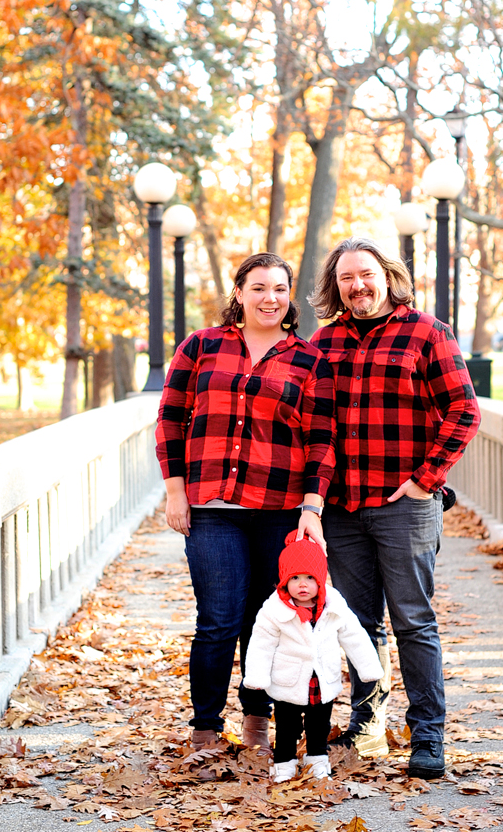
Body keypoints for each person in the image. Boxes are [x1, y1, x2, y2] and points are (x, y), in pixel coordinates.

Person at [309, 236, 481, 779]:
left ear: (387, 276)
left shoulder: (427, 333)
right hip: (342, 507)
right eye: (345, 279)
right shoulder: (325, 342)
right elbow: (318, 427)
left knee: (413, 621)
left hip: (403, 503)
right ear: (334, 287)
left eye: (366, 275)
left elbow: (463, 409)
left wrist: (425, 481)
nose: (357, 286)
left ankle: (428, 737)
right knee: (359, 624)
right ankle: (368, 725)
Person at [156, 252, 337, 752]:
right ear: (239, 293)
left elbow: (321, 440)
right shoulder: (202, 347)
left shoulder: (308, 360)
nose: (269, 298)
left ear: (289, 297)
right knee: (218, 618)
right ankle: (206, 728)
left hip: (278, 509)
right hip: (212, 507)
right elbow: (170, 419)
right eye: (258, 288)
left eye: (279, 289)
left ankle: (258, 720)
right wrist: (176, 492)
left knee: (269, 619)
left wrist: (311, 505)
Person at [243, 530, 384, 782]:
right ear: (284, 580)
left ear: (321, 579)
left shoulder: (334, 606)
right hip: (288, 681)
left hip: (322, 680)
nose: (303, 584)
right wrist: (256, 676)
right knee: (287, 726)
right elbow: (261, 643)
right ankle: (284, 761)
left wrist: (368, 668)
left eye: (310, 577)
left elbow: (354, 635)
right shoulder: (274, 610)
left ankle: (317, 758)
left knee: (319, 725)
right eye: (295, 577)